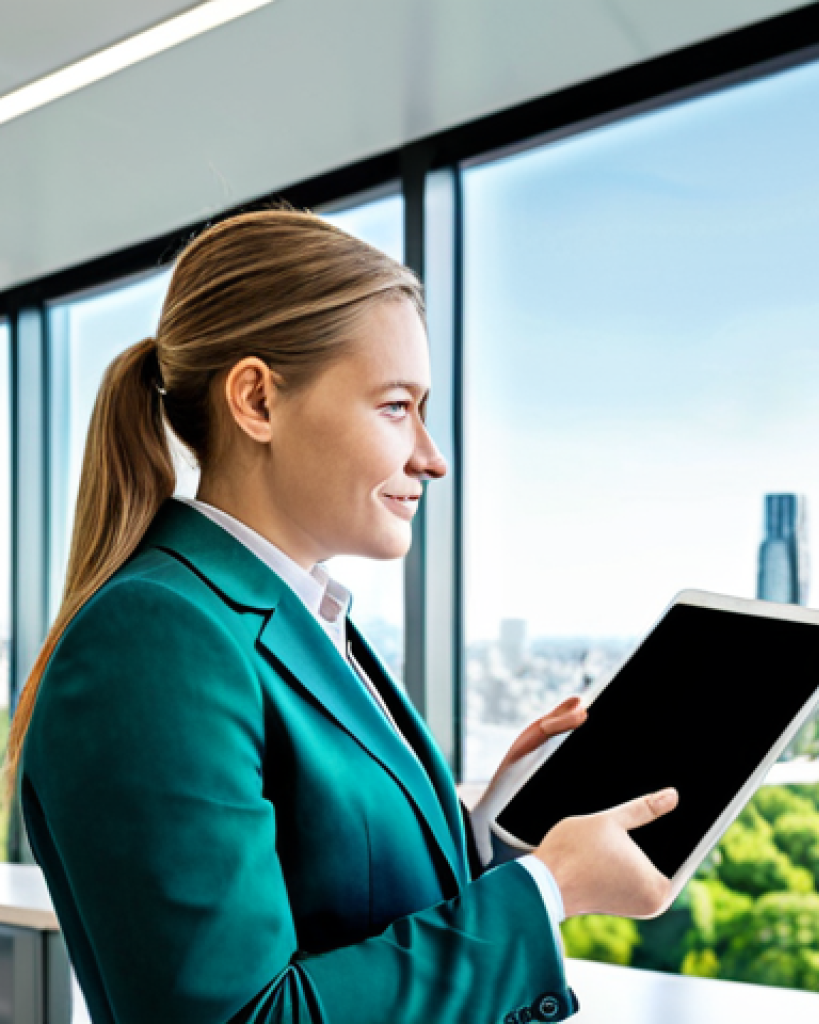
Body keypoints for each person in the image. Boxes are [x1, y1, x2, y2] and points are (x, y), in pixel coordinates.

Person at [4, 210, 679, 1024]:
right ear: (257, 399)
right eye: (397, 407)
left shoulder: (299, 615)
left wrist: (486, 839)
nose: (432, 457)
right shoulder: (155, 639)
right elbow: (238, 1018)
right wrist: (547, 892)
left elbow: (335, 894)